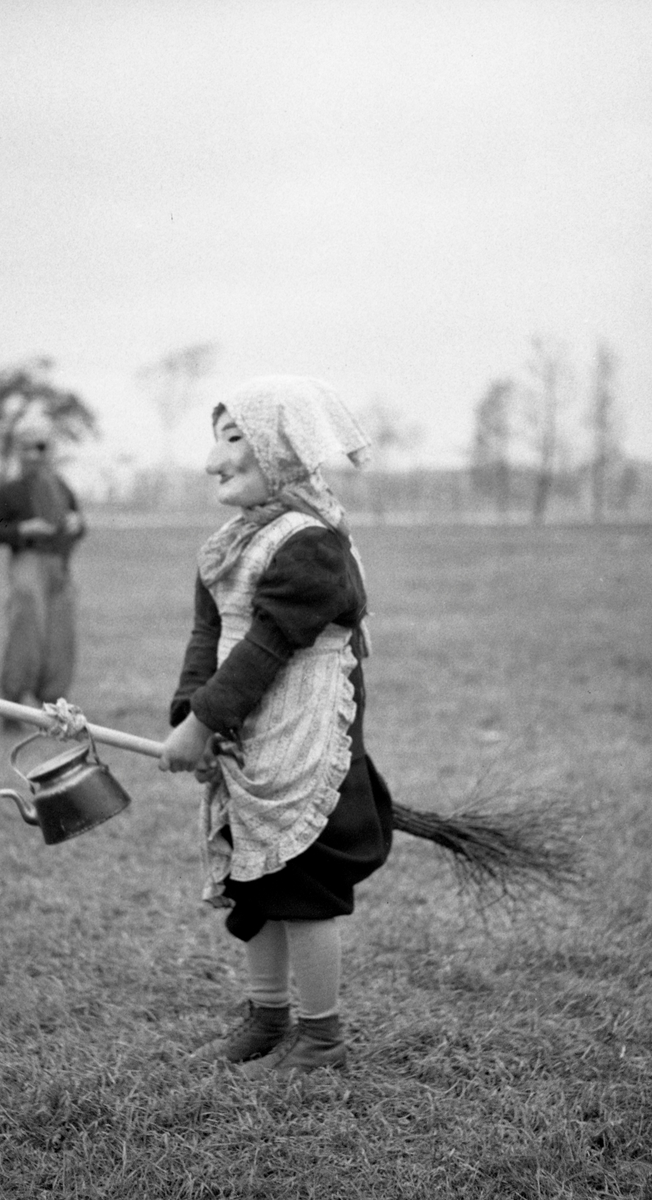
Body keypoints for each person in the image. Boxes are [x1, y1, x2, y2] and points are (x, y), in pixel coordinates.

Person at [158, 375, 393, 1076]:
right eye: (217, 438)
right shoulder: (228, 545)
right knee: (256, 885)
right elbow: (209, 638)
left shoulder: (312, 546)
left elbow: (266, 648)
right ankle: (267, 1019)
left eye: (235, 439)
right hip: (251, 737)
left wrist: (205, 722)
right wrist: (189, 714)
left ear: (281, 453)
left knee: (303, 891)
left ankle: (321, 1041)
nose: (212, 459)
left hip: (304, 744)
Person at [0, 412, 86, 729]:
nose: (33, 455)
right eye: (26, 448)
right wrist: (25, 528)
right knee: (25, 632)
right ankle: (12, 705)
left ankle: (52, 708)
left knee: (60, 637)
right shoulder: (7, 492)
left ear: (49, 449)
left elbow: (78, 523)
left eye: (40, 447)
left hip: (60, 567)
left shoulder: (62, 487)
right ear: (18, 450)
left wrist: (77, 523)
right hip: (27, 563)